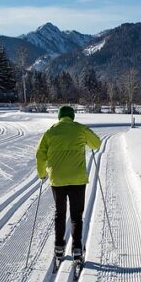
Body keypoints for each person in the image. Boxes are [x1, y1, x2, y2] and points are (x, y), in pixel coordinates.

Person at [35, 105, 102, 264]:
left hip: (57, 179)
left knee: (60, 212)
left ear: (59, 116)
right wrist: (88, 143)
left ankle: (59, 247)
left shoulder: (50, 131)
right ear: (72, 116)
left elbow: (40, 154)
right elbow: (96, 144)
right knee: (76, 214)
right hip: (77, 179)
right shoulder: (80, 129)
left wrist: (42, 173)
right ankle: (77, 249)